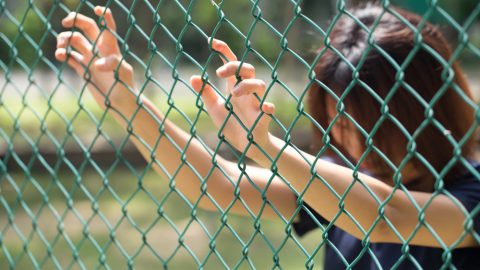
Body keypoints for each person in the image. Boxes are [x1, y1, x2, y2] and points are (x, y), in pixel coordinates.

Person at [55, 3, 480, 269]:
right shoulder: (337, 180)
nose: (348, 141)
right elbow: (215, 184)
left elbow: (388, 217)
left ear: (420, 109)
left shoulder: (470, 192)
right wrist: (127, 104)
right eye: (338, 122)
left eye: (366, 124)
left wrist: (268, 149)